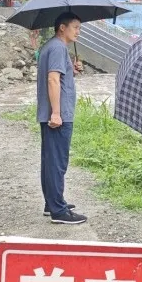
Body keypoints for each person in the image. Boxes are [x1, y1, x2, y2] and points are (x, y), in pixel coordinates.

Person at [37, 12, 87, 225]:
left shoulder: (52, 47)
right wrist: (56, 113)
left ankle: (52, 202)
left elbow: (59, 76)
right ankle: (58, 210)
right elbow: (53, 80)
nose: (78, 32)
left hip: (52, 113)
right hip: (59, 116)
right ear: (62, 28)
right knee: (57, 162)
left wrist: (72, 70)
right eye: (75, 27)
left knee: (50, 160)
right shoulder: (58, 48)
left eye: (79, 28)